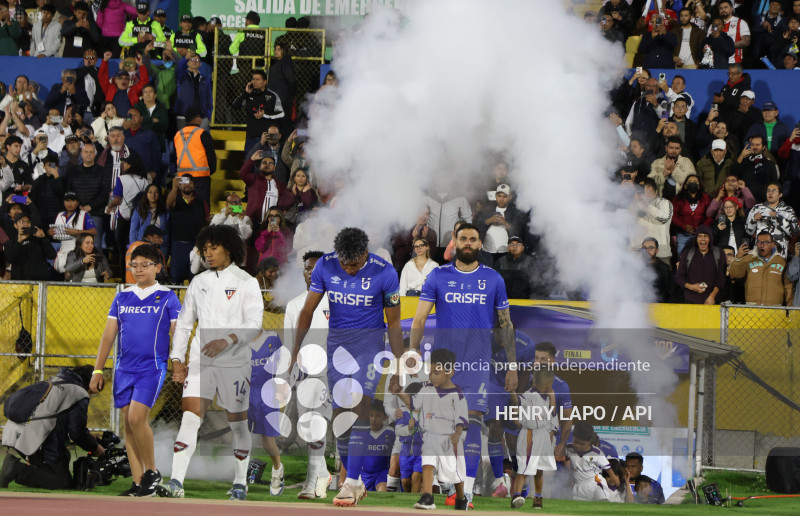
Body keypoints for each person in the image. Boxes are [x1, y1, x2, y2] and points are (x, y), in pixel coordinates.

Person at [290, 227, 403, 507]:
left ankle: (351, 482)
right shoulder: (325, 266)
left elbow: (395, 323)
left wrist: (399, 367)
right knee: (341, 416)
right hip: (337, 346)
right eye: (345, 264)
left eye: (354, 265)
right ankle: (355, 481)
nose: (349, 270)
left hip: (369, 346)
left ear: (365, 254)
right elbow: (307, 311)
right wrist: (293, 352)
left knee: (360, 407)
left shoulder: (385, 272)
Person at [410, 222, 514, 508]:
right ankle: (439, 487)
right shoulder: (438, 276)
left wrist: (513, 367)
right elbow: (419, 320)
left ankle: (464, 494)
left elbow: (505, 324)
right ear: (453, 243)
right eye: (462, 238)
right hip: (443, 368)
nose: (467, 243)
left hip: (477, 365)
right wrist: (411, 351)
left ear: (480, 244)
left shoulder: (493, 279)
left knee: (471, 427)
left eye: (473, 239)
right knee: (435, 431)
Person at [157, 225, 263, 501]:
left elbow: (254, 325)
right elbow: (183, 322)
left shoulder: (246, 282)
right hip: (201, 361)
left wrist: (226, 340)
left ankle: (240, 483)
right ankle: (176, 481)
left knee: (238, 424)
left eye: (213, 248)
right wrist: (178, 359)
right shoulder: (198, 282)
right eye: (204, 250)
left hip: (235, 362)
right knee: (190, 418)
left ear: (228, 248)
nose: (208, 254)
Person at [88, 243, 180, 495]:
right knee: (128, 426)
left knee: (137, 418)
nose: (138, 270)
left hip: (152, 368)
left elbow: (178, 334)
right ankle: (139, 483)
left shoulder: (168, 296)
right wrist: (97, 370)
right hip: (123, 369)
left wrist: (180, 362)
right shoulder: (122, 296)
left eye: (145, 265)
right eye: (134, 265)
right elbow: (108, 336)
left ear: (158, 268)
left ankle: (152, 472)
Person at [0, 366, 104, 490]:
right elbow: (77, 433)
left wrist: (87, 436)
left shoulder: (54, 381)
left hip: (16, 434)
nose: (92, 395)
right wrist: (95, 447)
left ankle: (17, 467)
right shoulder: (79, 393)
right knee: (61, 483)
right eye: (93, 391)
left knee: (63, 458)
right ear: (90, 383)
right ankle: (16, 469)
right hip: (36, 438)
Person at [283, 250, 332, 499]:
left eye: (315, 268)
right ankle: (318, 477)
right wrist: (287, 375)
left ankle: (316, 480)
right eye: (307, 268)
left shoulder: (336, 301)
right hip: (305, 375)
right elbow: (290, 344)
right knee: (310, 429)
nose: (310, 273)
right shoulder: (294, 305)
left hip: (331, 374)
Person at [397, 349, 469, 511]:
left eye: (437, 372)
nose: (432, 376)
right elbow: (413, 404)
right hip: (430, 436)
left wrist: (457, 434)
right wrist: (399, 392)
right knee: (427, 465)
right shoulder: (426, 389)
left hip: (450, 440)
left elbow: (462, 419)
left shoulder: (457, 394)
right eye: (430, 372)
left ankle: (461, 498)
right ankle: (428, 497)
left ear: (450, 371)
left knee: (455, 474)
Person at [246, 328, 288, 496]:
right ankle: (240, 482)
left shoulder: (272, 337)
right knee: (242, 438)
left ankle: (278, 470)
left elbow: (284, 363)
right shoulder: (239, 339)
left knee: (268, 442)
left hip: (268, 393)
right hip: (246, 394)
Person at [509, 369, 557, 510]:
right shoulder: (529, 395)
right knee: (524, 467)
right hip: (530, 434)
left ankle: (538, 498)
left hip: (543, 435)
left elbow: (552, 413)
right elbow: (517, 400)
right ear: (547, 383)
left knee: (539, 469)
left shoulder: (547, 397)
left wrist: (552, 396)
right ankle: (516, 496)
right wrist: (512, 391)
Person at [107, 153, 149, 274]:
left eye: (125, 163)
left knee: (122, 251)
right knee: (139, 249)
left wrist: (109, 207)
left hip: (123, 218)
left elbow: (116, 199)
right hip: (140, 218)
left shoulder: (121, 179)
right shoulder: (144, 181)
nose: (123, 165)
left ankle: (124, 277)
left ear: (130, 165)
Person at [729, 231, 794, 306]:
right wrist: (738, 258)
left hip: (775, 307)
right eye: (759, 242)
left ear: (772, 244)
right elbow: (735, 274)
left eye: (765, 243)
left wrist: (790, 305)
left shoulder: (781, 261)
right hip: (752, 306)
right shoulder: (749, 258)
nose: (761, 245)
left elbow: (788, 285)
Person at [166, 173, 209, 284]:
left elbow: (207, 220)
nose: (187, 185)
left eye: (190, 182)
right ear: (179, 185)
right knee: (176, 277)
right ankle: (176, 300)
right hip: (179, 245)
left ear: (194, 185)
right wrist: (174, 187)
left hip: (196, 246)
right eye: (184, 182)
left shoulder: (201, 201)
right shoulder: (175, 198)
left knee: (195, 278)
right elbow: (168, 205)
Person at [66, 143, 109, 248]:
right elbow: (69, 191)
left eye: (91, 152)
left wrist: (90, 206)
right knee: (74, 244)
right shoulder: (73, 172)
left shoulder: (102, 171)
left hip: (95, 213)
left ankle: (97, 264)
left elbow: (105, 193)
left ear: (95, 154)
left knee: (95, 244)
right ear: (81, 154)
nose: (89, 154)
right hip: (76, 212)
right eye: (86, 152)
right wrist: (77, 205)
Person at [233, 70, 285, 156]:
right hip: (251, 136)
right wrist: (245, 93)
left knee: (265, 162)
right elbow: (235, 106)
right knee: (249, 161)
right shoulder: (248, 95)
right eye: (253, 79)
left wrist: (265, 115)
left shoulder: (272, 96)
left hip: (267, 137)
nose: (254, 82)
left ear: (265, 82)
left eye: (257, 79)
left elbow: (281, 114)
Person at [170, 108, 216, 204]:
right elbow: (211, 156)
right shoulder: (203, 134)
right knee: (202, 206)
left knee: (185, 205)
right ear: (197, 118)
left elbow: (174, 157)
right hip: (201, 177)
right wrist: (210, 170)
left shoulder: (178, 135)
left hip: (183, 178)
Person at [566, 422, 620, 502]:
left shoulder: (597, 452)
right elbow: (565, 458)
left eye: (582, 444)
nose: (577, 446)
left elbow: (607, 467)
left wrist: (614, 477)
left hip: (595, 483)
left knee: (603, 502)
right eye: (576, 442)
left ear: (590, 441)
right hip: (578, 485)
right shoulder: (568, 449)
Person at [474, 184, 526, 264]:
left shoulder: (515, 212)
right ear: (495, 196)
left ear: (510, 197)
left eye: (504, 196)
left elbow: (519, 232)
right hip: (487, 251)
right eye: (499, 196)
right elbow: (476, 228)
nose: (501, 199)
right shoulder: (486, 210)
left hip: (505, 252)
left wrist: (505, 223)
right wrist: (489, 221)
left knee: (503, 274)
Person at [675, 225, 727, 304]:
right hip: (691, 302)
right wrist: (691, 287)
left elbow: (721, 278)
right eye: (700, 236)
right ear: (696, 239)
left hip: (712, 302)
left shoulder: (719, 253)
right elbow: (679, 277)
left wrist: (712, 296)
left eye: (705, 236)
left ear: (710, 238)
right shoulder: (687, 253)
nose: (703, 239)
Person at [745, 183, 799, 256]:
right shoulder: (756, 208)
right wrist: (753, 221)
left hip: (779, 252)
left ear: (780, 194)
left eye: (774, 191)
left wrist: (778, 217)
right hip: (760, 250)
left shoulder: (787, 210)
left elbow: (794, 232)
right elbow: (749, 231)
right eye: (768, 191)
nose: (770, 193)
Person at [630, 177, 673, 265]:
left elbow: (663, 219)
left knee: (663, 278)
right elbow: (627, 223)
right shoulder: (635, 204)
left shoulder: (664, 203)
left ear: (650, 189)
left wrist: (647, 205)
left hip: (661, 254)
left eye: (641, 188)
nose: (638, 191)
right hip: (638, 254)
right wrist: (633, 204)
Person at [239, 152, 286, 229]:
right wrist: (251, 160)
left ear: (274, 167)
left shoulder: (280, 185)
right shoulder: (254, 178)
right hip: (253, 221)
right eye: (264, 163)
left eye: (270, 163)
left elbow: (283, 202)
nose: (267, 165)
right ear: (260, 167)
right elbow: (242, 174)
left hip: (271, 222)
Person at [5, 211, 55, 280]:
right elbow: (9, 259)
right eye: (22, 222)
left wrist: (44, 238)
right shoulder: (10, 243)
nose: (25, 224)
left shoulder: (38, 240)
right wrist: (19, 242)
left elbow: (52, 255)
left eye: (28, 222)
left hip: (39, 282)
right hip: (20, 282)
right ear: (15, 225)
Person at [99, 51, 150, 118]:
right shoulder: (110, 89)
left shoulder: (133, 91)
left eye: (126, 79)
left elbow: (144, 82)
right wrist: (105, 61)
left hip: (129, 123)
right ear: (116, 80)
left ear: (129, 81)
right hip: (112, 123)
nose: (123, 80)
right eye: (120, 78)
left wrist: (141, 65)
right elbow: (102, 77)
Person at [672, 174, 712, 255]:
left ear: (699, 186)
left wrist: (701, 228)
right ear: (685, 186)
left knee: (700, 256)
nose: (692, 183)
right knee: (681, 255)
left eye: (695, 182)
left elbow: (710, 216)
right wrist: (683, 226)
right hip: (683, 234)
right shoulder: (678, 198)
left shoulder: (705, 198)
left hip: (700, 234)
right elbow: (673, 216)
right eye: (690, 182)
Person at [359, 400, 395, 492]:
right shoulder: (361, 432)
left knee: (382, 490)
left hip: (382, 473)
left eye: (378, 416)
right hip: (364, 474)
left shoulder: (390, 432)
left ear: (385, 416)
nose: (374, 419)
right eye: (371, 415)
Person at [174, 52, 213, 129]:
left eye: (197, 60)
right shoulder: (182, 76)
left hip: (200, 117)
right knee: (183, 140)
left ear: (200, 64)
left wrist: (207, 116)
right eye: (192, 59)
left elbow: (209, 99)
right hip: (183, 115)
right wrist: (185, 58)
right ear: (187, 63)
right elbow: (179, 69)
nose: (194, 61)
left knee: (198, 139)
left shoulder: (205, 80)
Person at [642, 237, 675, 302]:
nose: (647, 251)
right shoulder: (635, 267)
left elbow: (671, 293)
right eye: (644, 248)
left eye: (651, 248)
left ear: (657, 250)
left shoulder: (665, 269)